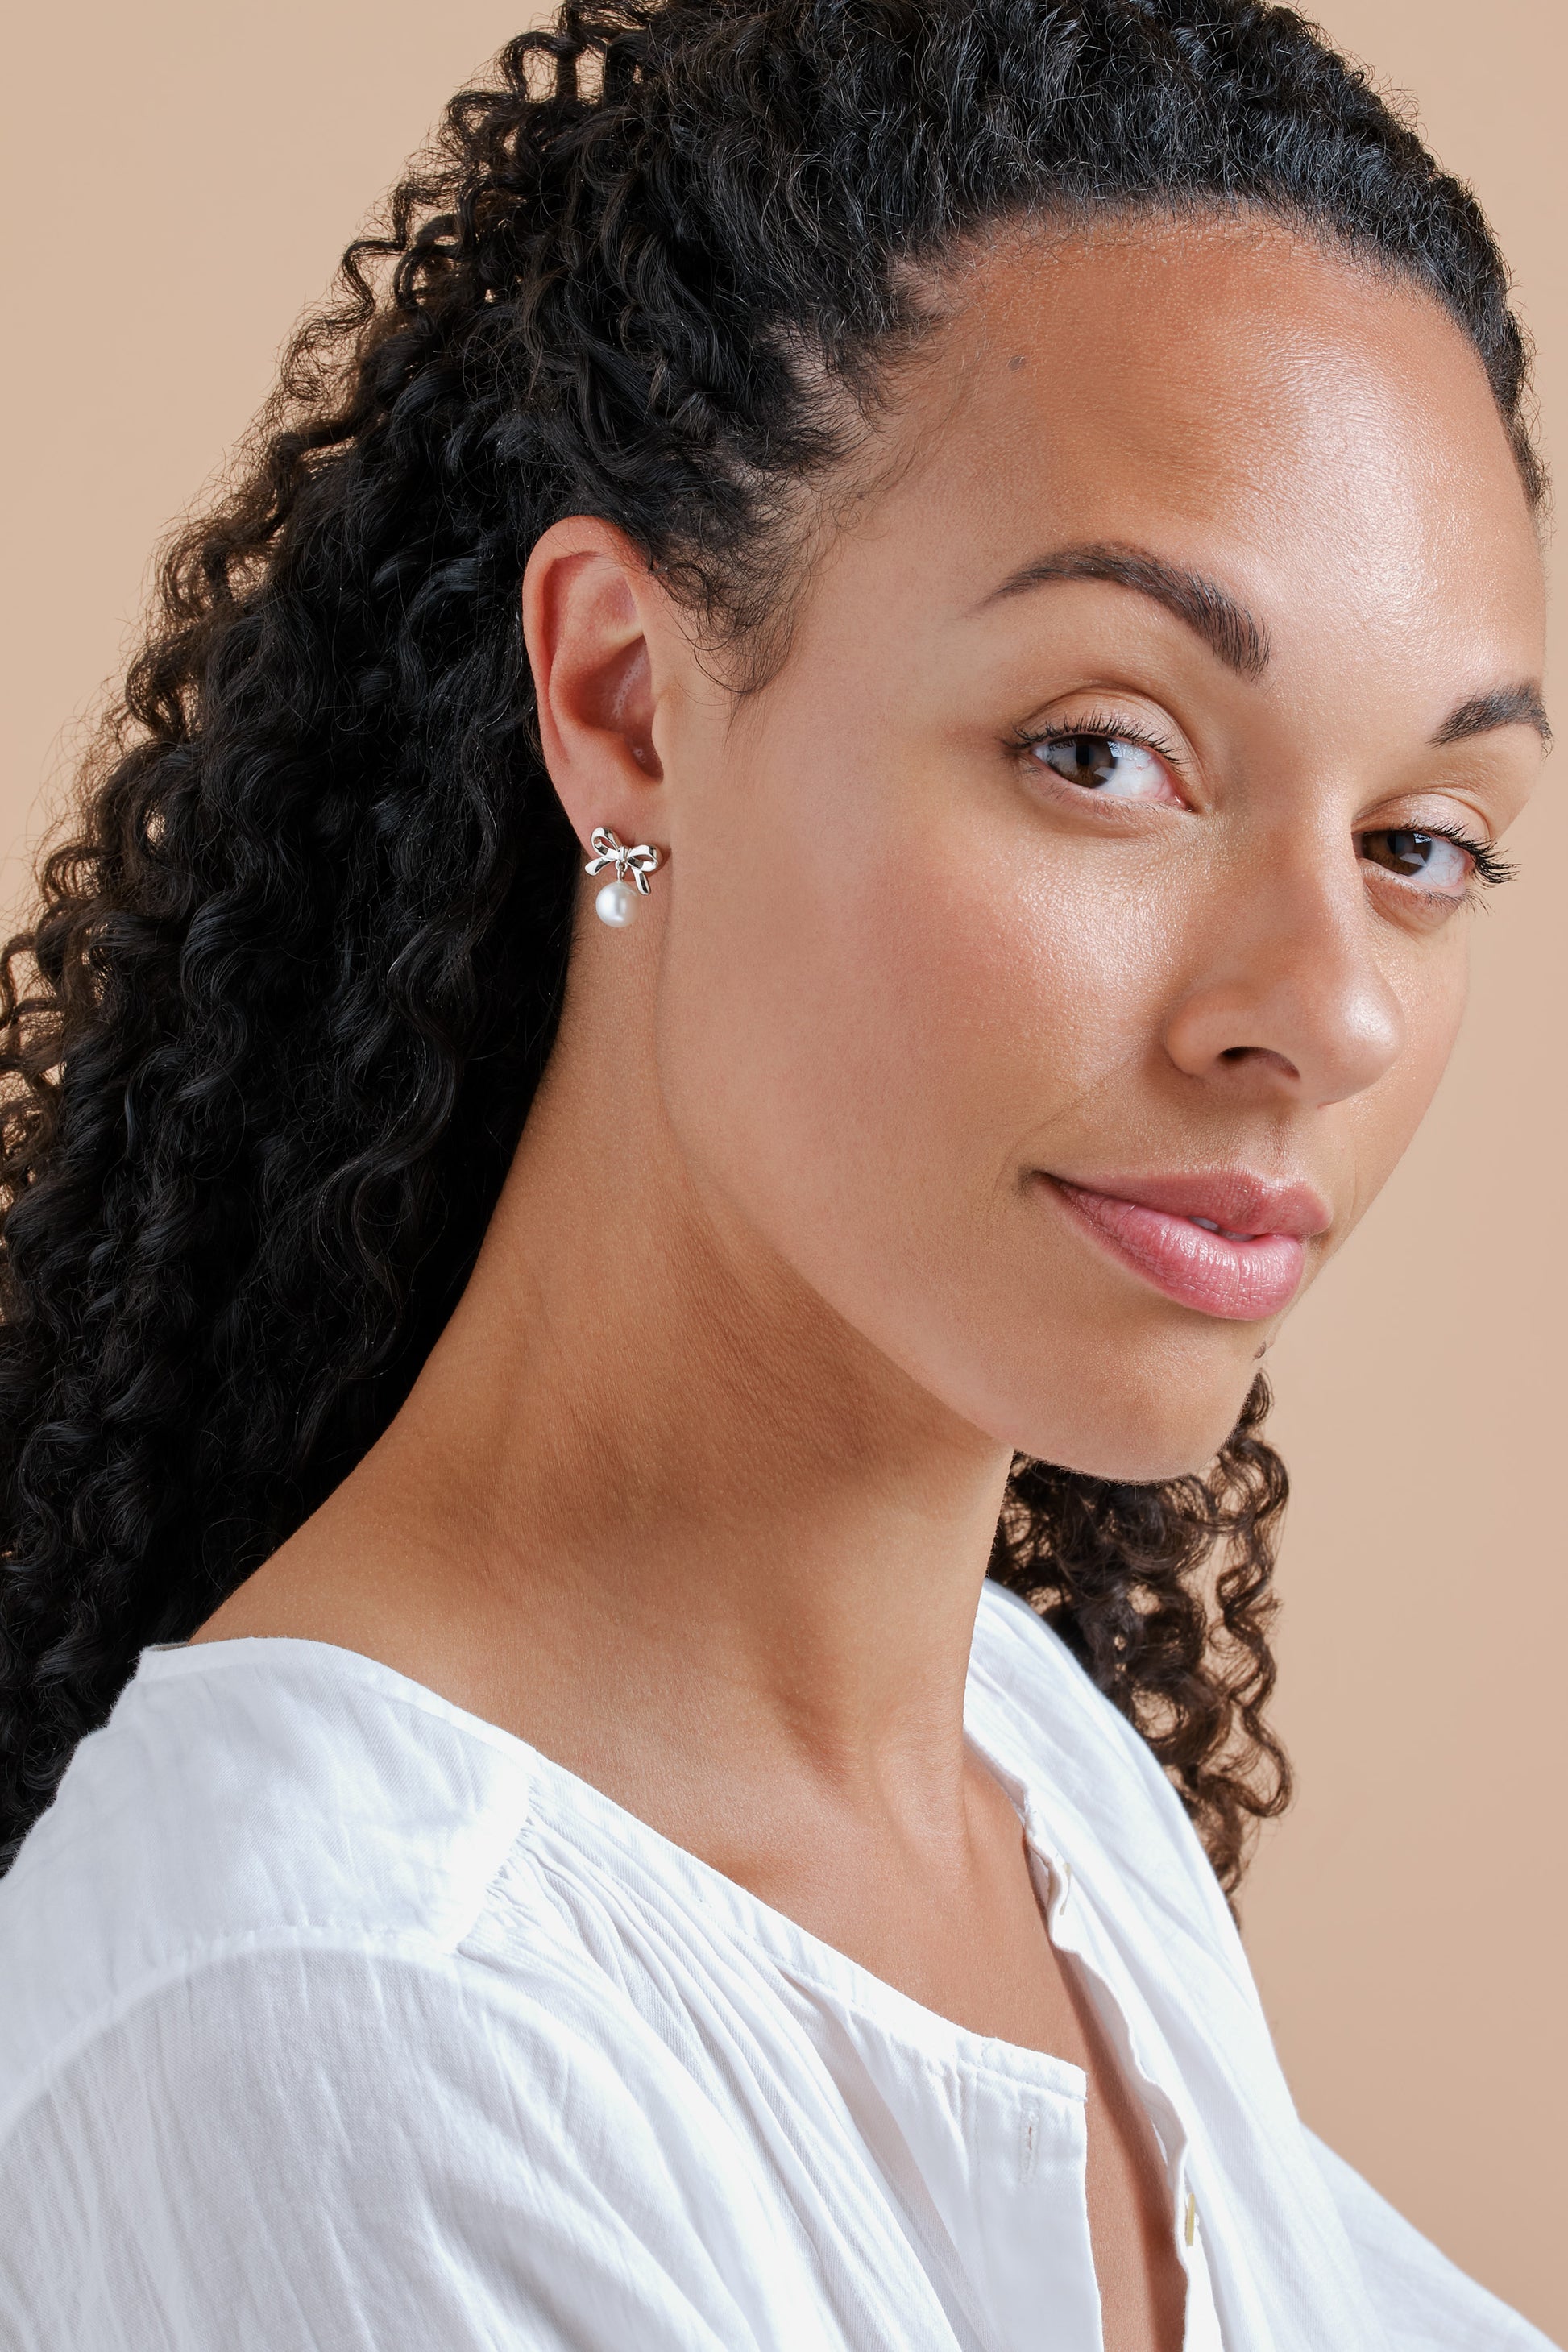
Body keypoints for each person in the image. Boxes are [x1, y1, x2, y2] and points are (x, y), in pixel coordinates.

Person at [0, 1, 1556, 2345]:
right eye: (1105, 752)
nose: (1322, 1009)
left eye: (1421, 840)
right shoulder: (336, 2025)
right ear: (626, 695)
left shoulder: (1025, 1775)